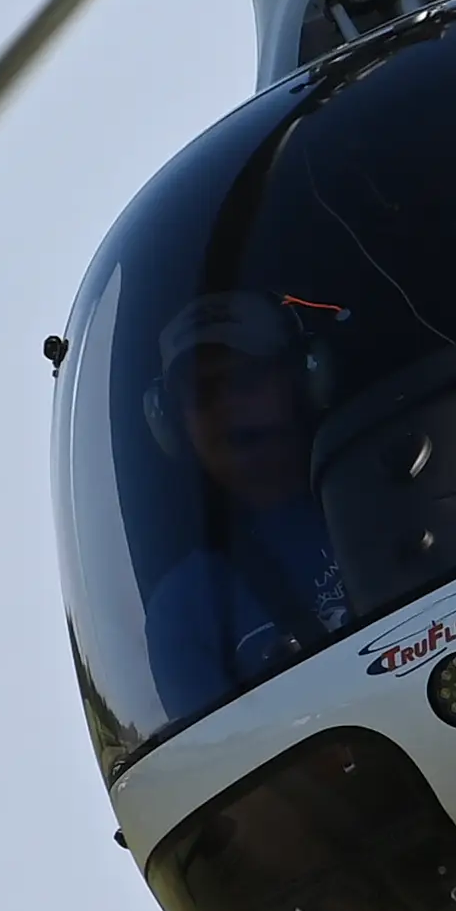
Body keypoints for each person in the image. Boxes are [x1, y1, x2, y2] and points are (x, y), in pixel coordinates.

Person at [136, 294, 351, 702]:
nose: (227, 408)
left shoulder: (396, 492)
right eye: (203, 394)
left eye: (246, 379)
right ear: (175, 426)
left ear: (304, 380)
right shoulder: (183, 610)